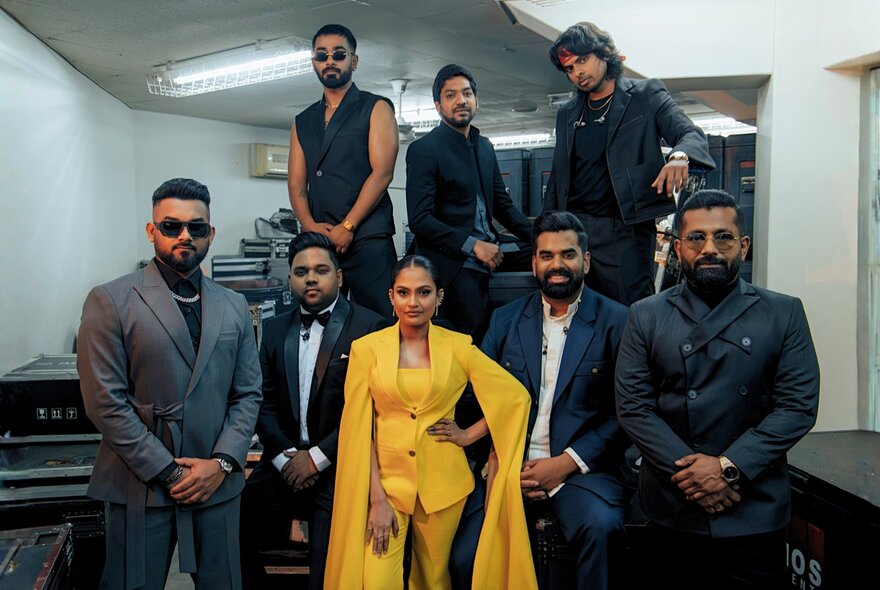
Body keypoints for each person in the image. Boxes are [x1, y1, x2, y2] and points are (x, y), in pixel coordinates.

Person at [615, 189, 820, 589]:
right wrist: (696, 476)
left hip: (752, 505)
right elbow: (633, 407)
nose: (709, 248)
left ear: (742, 246)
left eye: (722, 237)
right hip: (673, 504)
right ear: (678, 247)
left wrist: (728, 468)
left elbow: (797, 407)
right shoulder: (645, 315)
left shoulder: (783, 311)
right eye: (696, 238)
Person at [77, 178, 262, 590]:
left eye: (197, 228)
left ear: (210, 233)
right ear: (151, 230)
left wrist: (223, 462)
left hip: (216, 479)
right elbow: (105, 402)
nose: (184, 236)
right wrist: (168, 471)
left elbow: (248, 393)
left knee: (224, 584)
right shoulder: (111, 300)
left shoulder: (233, 304)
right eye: (171, 226)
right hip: (140, 478)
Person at [324, 255, 537, 589]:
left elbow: (516, 398)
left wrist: (468, 435)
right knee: (377, 582)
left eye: (423, 292)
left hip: (443, 486)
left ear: (438, 297)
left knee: (433, 581)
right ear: (391, 296)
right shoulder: (366, 350)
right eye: (404, 292)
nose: (413, 302)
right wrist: (376, 498)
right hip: (387, 489)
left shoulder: (458, 347)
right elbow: (358, 429)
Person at [450, 211, 632, 590]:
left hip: (582, 471)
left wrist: (566, 463)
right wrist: (500, 461)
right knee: (465, 557)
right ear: (534, 262)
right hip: (507, 467)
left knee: (600, 528)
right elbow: (479, 400)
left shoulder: (619, 321)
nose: (557, 265)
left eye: (567, 254)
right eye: (546, 256)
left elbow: (626, 413)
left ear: (586, 259)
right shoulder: (504, 320)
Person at [239, 232, 387, 589]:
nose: (310, 278)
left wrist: (317, 458)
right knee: (234, 522)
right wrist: (285, 458)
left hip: (340, 462)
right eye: (301, 271)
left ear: (339, 276)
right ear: (290, 278)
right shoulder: (274, 329)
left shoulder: (371, 327)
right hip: (283, 458)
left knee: (326, 565)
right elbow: (263, 400)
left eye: (321, 270)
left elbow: (370, 410)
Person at [543, 22, 715, 305]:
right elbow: (558, 180)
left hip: (625, 231)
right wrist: (545, 232)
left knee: (630, 314)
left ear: (605, 54)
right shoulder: (567, 113)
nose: (578, 73)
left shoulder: (645, 95)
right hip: (573, 230)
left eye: (583, 60)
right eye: (570, 69)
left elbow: (690, 134)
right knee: (576, 313)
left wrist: (679, 156)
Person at [406, 64, 533, 338]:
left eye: (466, 93)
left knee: (552, 261)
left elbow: (503, 206)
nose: (461, 100)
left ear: (476, 99)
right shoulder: (424, 150)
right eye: (450, 95)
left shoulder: (484, 146)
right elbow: (420, 220)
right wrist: (474, 245)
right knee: (474, 334)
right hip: (454, 259)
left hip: (492, 245)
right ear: (438, 106)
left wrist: (544, 239)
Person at [288, 23, 399, 317]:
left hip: (367, 238)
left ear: (354, 60)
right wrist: (310, 226)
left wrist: (348, 226)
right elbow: (297, 185)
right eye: (322, 56)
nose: (330, 62)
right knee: (324, 322)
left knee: (378, 322)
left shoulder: (375, 108)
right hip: (322, 241)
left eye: (338, 54)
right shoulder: (303, 120)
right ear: (314, 62)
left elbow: (382, 173)